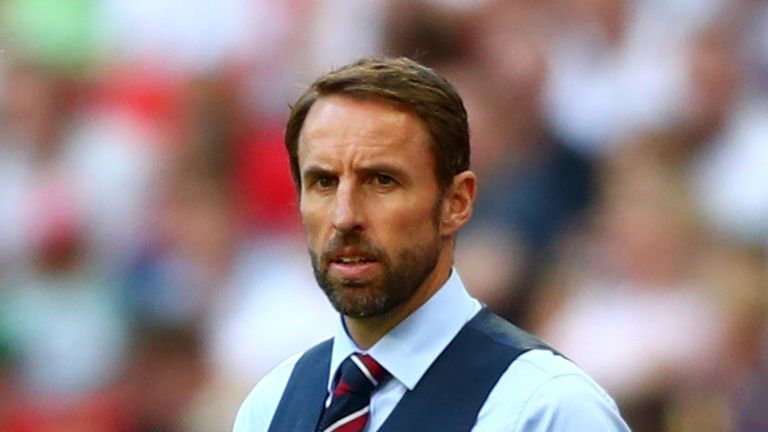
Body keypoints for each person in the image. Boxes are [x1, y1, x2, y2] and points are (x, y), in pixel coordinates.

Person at [232, 56, 630, 432]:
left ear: (457, 203)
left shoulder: (546, 410)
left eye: (382, 180)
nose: (344, 215)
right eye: (323, 182)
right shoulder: (270, 406)